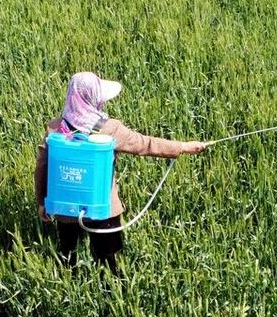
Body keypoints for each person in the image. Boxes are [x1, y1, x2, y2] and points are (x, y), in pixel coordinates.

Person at [34, 71, 206, 275]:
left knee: (67, 258)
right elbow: (145, 144)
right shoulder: (109, 129)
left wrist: (42, 202)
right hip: (103, 210)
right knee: (110, 262)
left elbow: (41, 168)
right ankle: (112, 295)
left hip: (65, 210)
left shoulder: (55, 129)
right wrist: (183, 147)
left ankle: (71, 287)